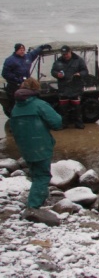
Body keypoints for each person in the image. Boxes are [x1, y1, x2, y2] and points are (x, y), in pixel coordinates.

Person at [9, 78, 62, 209]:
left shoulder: (16, 108)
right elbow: (57, 123)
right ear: (35, 90)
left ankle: (41, 197)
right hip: (41, 145)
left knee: (35, 174)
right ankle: (34, 205)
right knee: (43, 175)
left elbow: (12, 129)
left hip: (25, 147)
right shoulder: (39, 105)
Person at [51, 45, 88, 129]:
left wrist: (79, 74)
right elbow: (53, 71)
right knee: (63, 107)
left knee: (77, 107)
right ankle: (64, 124)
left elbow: (85, 71)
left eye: (67, 54)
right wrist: (57, 74)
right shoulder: (58, 61)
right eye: (63, 54)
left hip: (76, 86)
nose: (65, 56)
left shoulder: (79, 60)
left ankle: (79, 123)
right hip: (63, 87)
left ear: (70, 51)